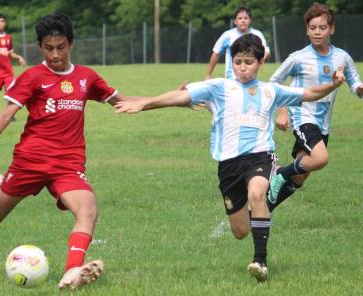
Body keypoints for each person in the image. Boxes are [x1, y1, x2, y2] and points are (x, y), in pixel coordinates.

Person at [114, 33, 346, 282]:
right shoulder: (219, 87)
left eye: (248, 62)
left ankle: (260, 262)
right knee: (239, 231)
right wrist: (144, 104)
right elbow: (177, 97)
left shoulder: (271, 91)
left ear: (260, 63)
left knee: (257, 193)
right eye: (237, 62)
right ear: (231, 62)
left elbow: (310, 93)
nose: (243, 68)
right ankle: (259, 211)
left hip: (260, 157)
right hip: (229, 166)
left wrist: (332, 85)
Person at [0, 13, 137, 290]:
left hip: (68, 164)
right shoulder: (33, 77)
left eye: (61, 47)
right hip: (30, 161)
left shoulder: (86, 77)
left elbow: (122, 101)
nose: (55, 54)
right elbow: (7, 113)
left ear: (71, 44)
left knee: (88, 210)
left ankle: (72, 272)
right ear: (40, 47)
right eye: (49, 48)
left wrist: (168, 100)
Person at [267, 2, 363, 211]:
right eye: (313, 28)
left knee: (300, 176)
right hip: (302, 116)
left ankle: (263, 210)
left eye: (322, 27)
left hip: (323, 123)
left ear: (332, 29)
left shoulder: (342, 57)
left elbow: (355, 82)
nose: (317, 32)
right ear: (307, 30)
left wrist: (359, 89)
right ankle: (280, 172)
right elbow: (274, 83)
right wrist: (282, 111)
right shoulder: (298, 57)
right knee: (320, 159)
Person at [205, 5, 270, 80]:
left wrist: (265, 55)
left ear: (250, 20)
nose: (243, 20)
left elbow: (266, 52)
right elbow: (216, 54)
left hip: (251, 79)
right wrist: (208, 75)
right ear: (235, 21)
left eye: (246, 18)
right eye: (240, 18)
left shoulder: (258, 34)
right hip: (232, 79)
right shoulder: (227, 35)